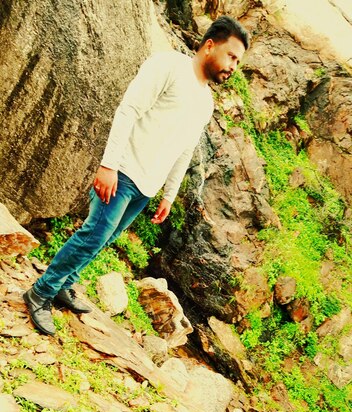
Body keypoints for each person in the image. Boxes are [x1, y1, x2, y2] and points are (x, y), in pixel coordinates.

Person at [24, 16, 249, 335]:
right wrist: (108, 165)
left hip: (146, 186)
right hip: (123, 171)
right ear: (210, 45)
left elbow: (184, 150)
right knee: (92, 237)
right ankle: (40, 292)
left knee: (104, 240)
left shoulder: (205, 102)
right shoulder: (169, 66)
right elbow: (129, 109)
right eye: (231, 56)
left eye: (238, 61)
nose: (233, 66)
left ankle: (65, 285)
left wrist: (169, 194)